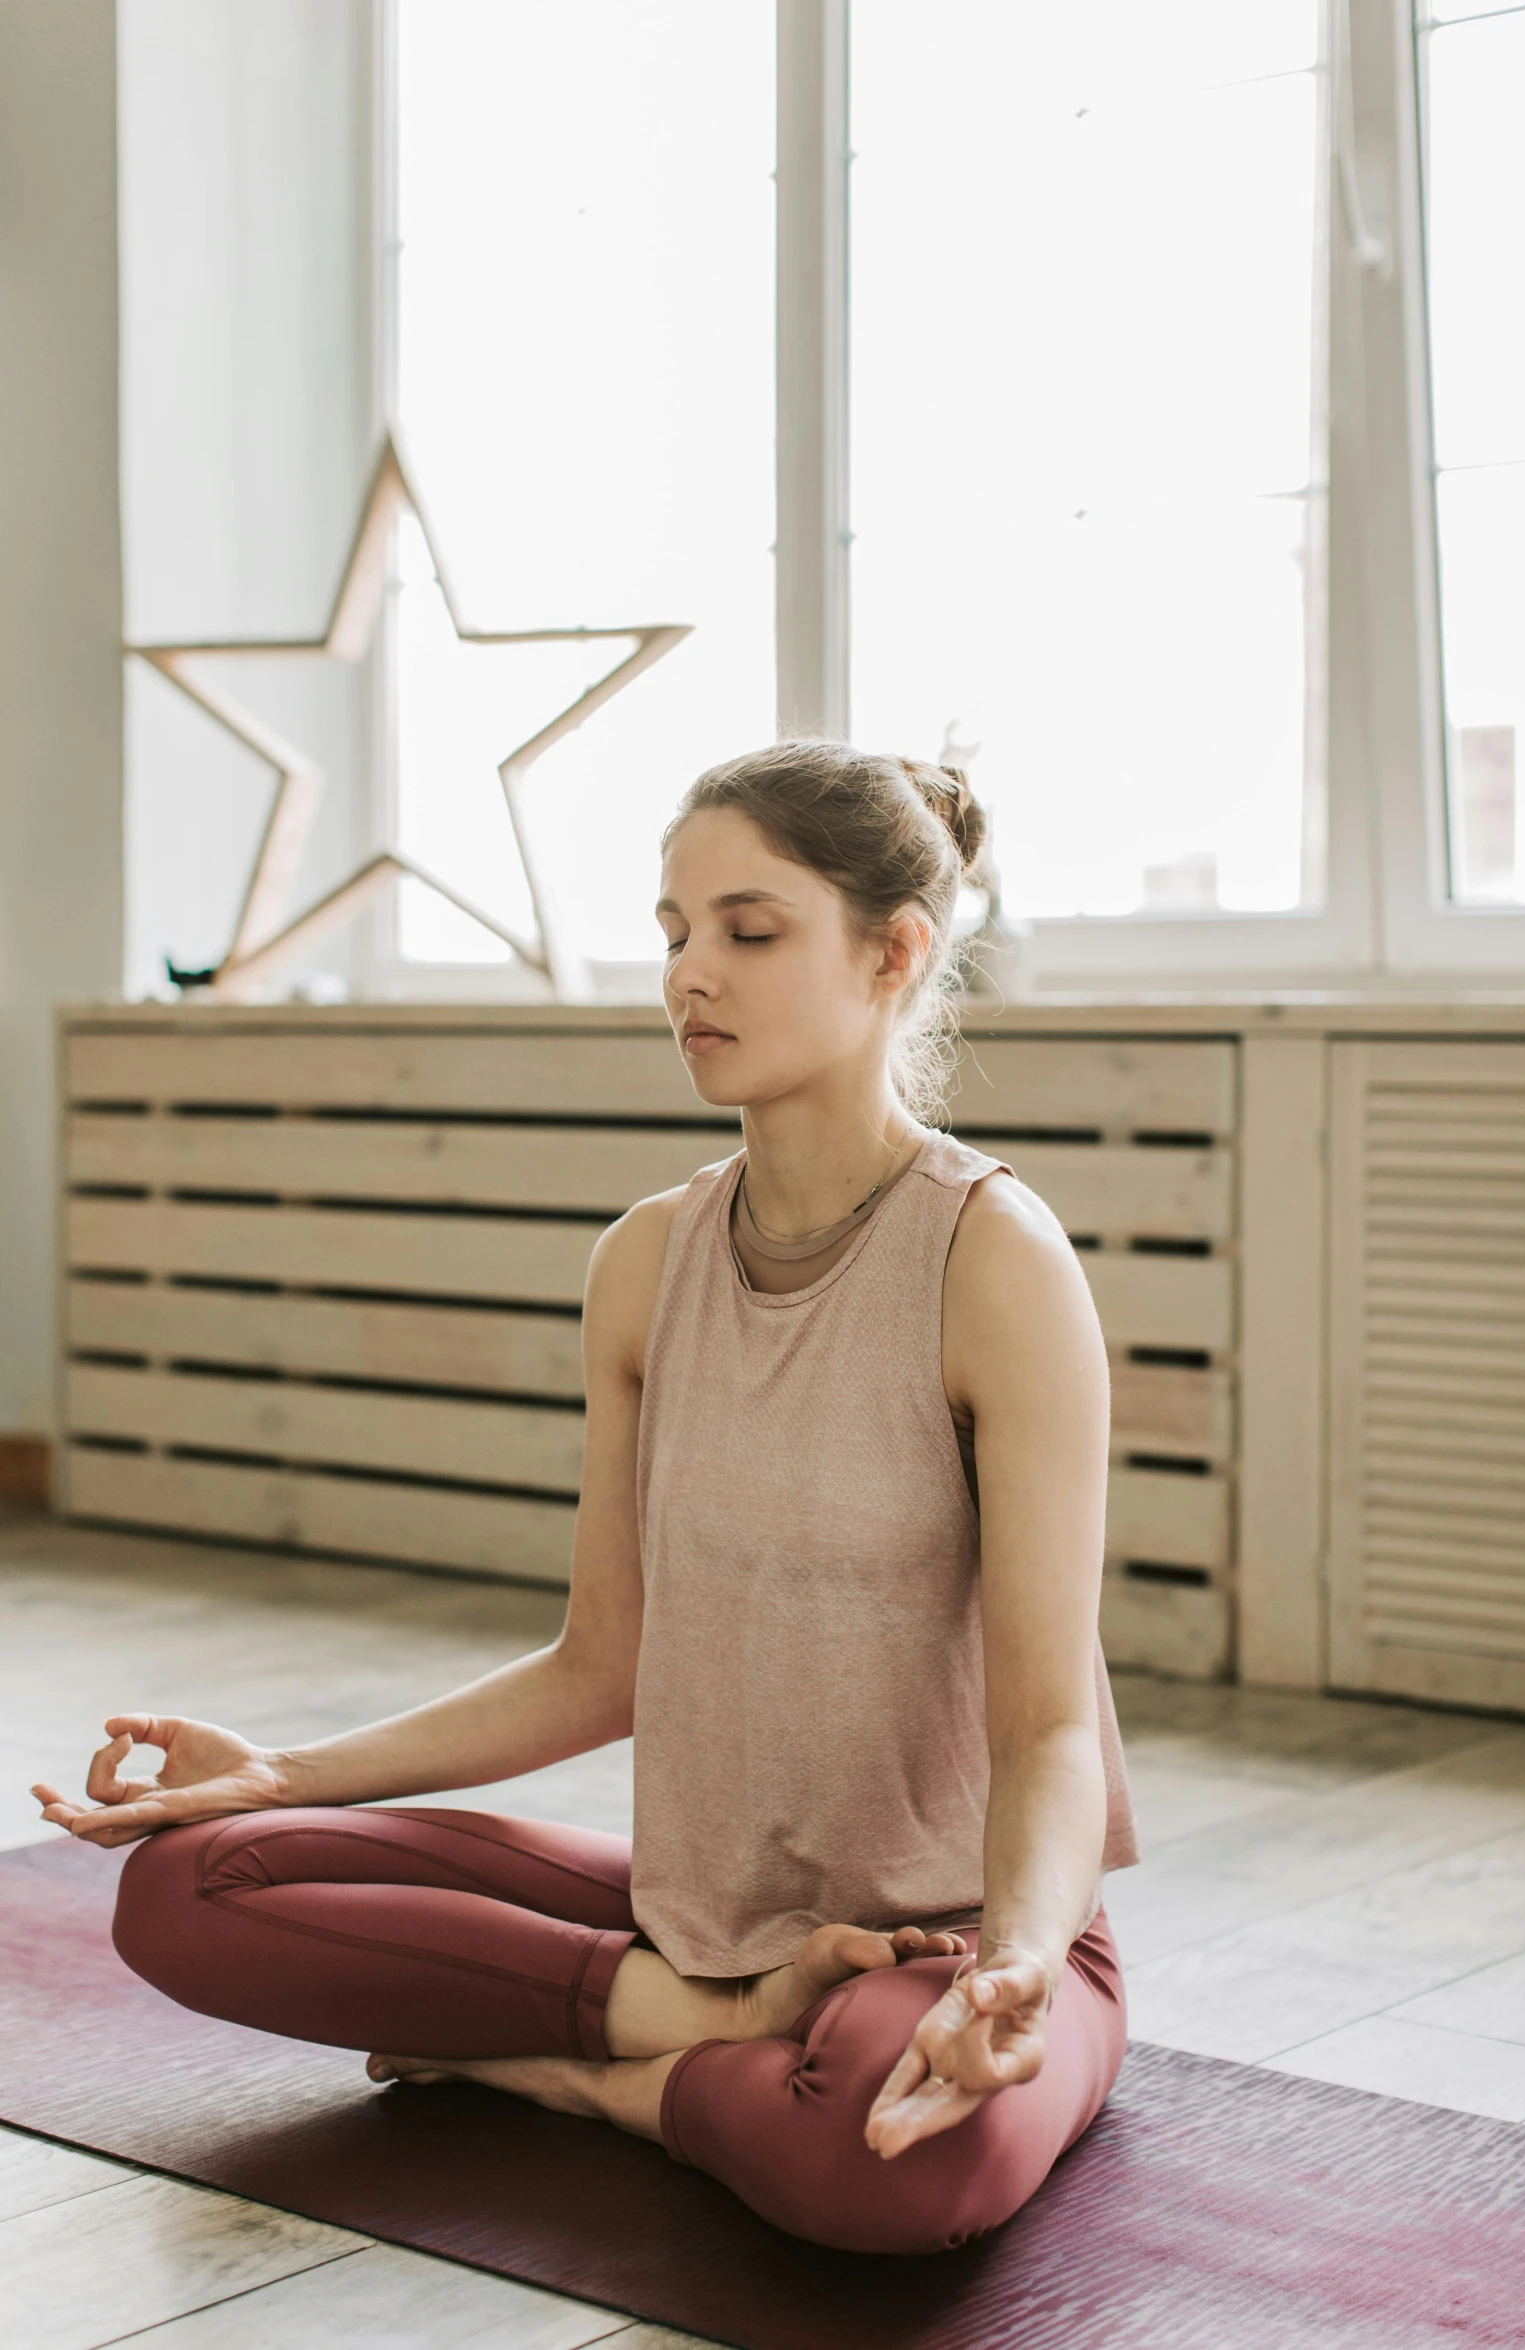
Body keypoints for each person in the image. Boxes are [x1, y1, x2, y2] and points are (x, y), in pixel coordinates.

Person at [33, 741, 1141, 2257]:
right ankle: (712, 2020)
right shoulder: (642, 1263)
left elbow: (1050, 1729)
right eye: (675, 930)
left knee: (884, 2159)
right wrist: (280, 1773)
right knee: (183, 1886)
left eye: (748, 932)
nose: (692, 974)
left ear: (893, 952)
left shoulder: (994, 1262)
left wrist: (1011, 1962)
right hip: (697, 1919)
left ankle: (597, 2080)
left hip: (959, 1937)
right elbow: (598, 1663)